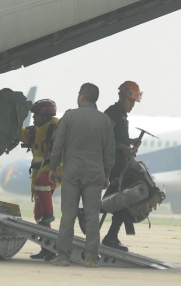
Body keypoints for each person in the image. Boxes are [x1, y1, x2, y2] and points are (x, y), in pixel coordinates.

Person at [48, 83, 115, 268]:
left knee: (68, 214)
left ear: (81, 97)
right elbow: (110, 151)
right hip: (95, 173)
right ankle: (91, 258)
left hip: (72, 172)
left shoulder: (69, 116)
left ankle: (63, 256)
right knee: (92, 216)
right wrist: (107, 173)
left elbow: (57, 144)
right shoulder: (105, 120)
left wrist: (53, 168)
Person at [101, 81, 143, 251]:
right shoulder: (112, 114)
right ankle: (111, 236)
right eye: (130, 101)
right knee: (126, 196)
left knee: (124, 197)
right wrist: (122, 147)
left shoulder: (121, 115)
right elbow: (104, 138)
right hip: (113, 165)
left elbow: (117, 138)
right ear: (122, 97)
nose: (132, 105)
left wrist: (131, 142)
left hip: (120, 163)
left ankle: (112, 235)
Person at [20, 99, 61, 260]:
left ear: (45, 115)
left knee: (42, 183)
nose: (33, 118)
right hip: (40, 170)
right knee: (37, 213)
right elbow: (21, 133)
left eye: (36, 115)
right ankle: (48, 248)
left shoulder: (56, 127)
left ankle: (49, 214)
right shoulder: (35, 130)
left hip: (54, 170)